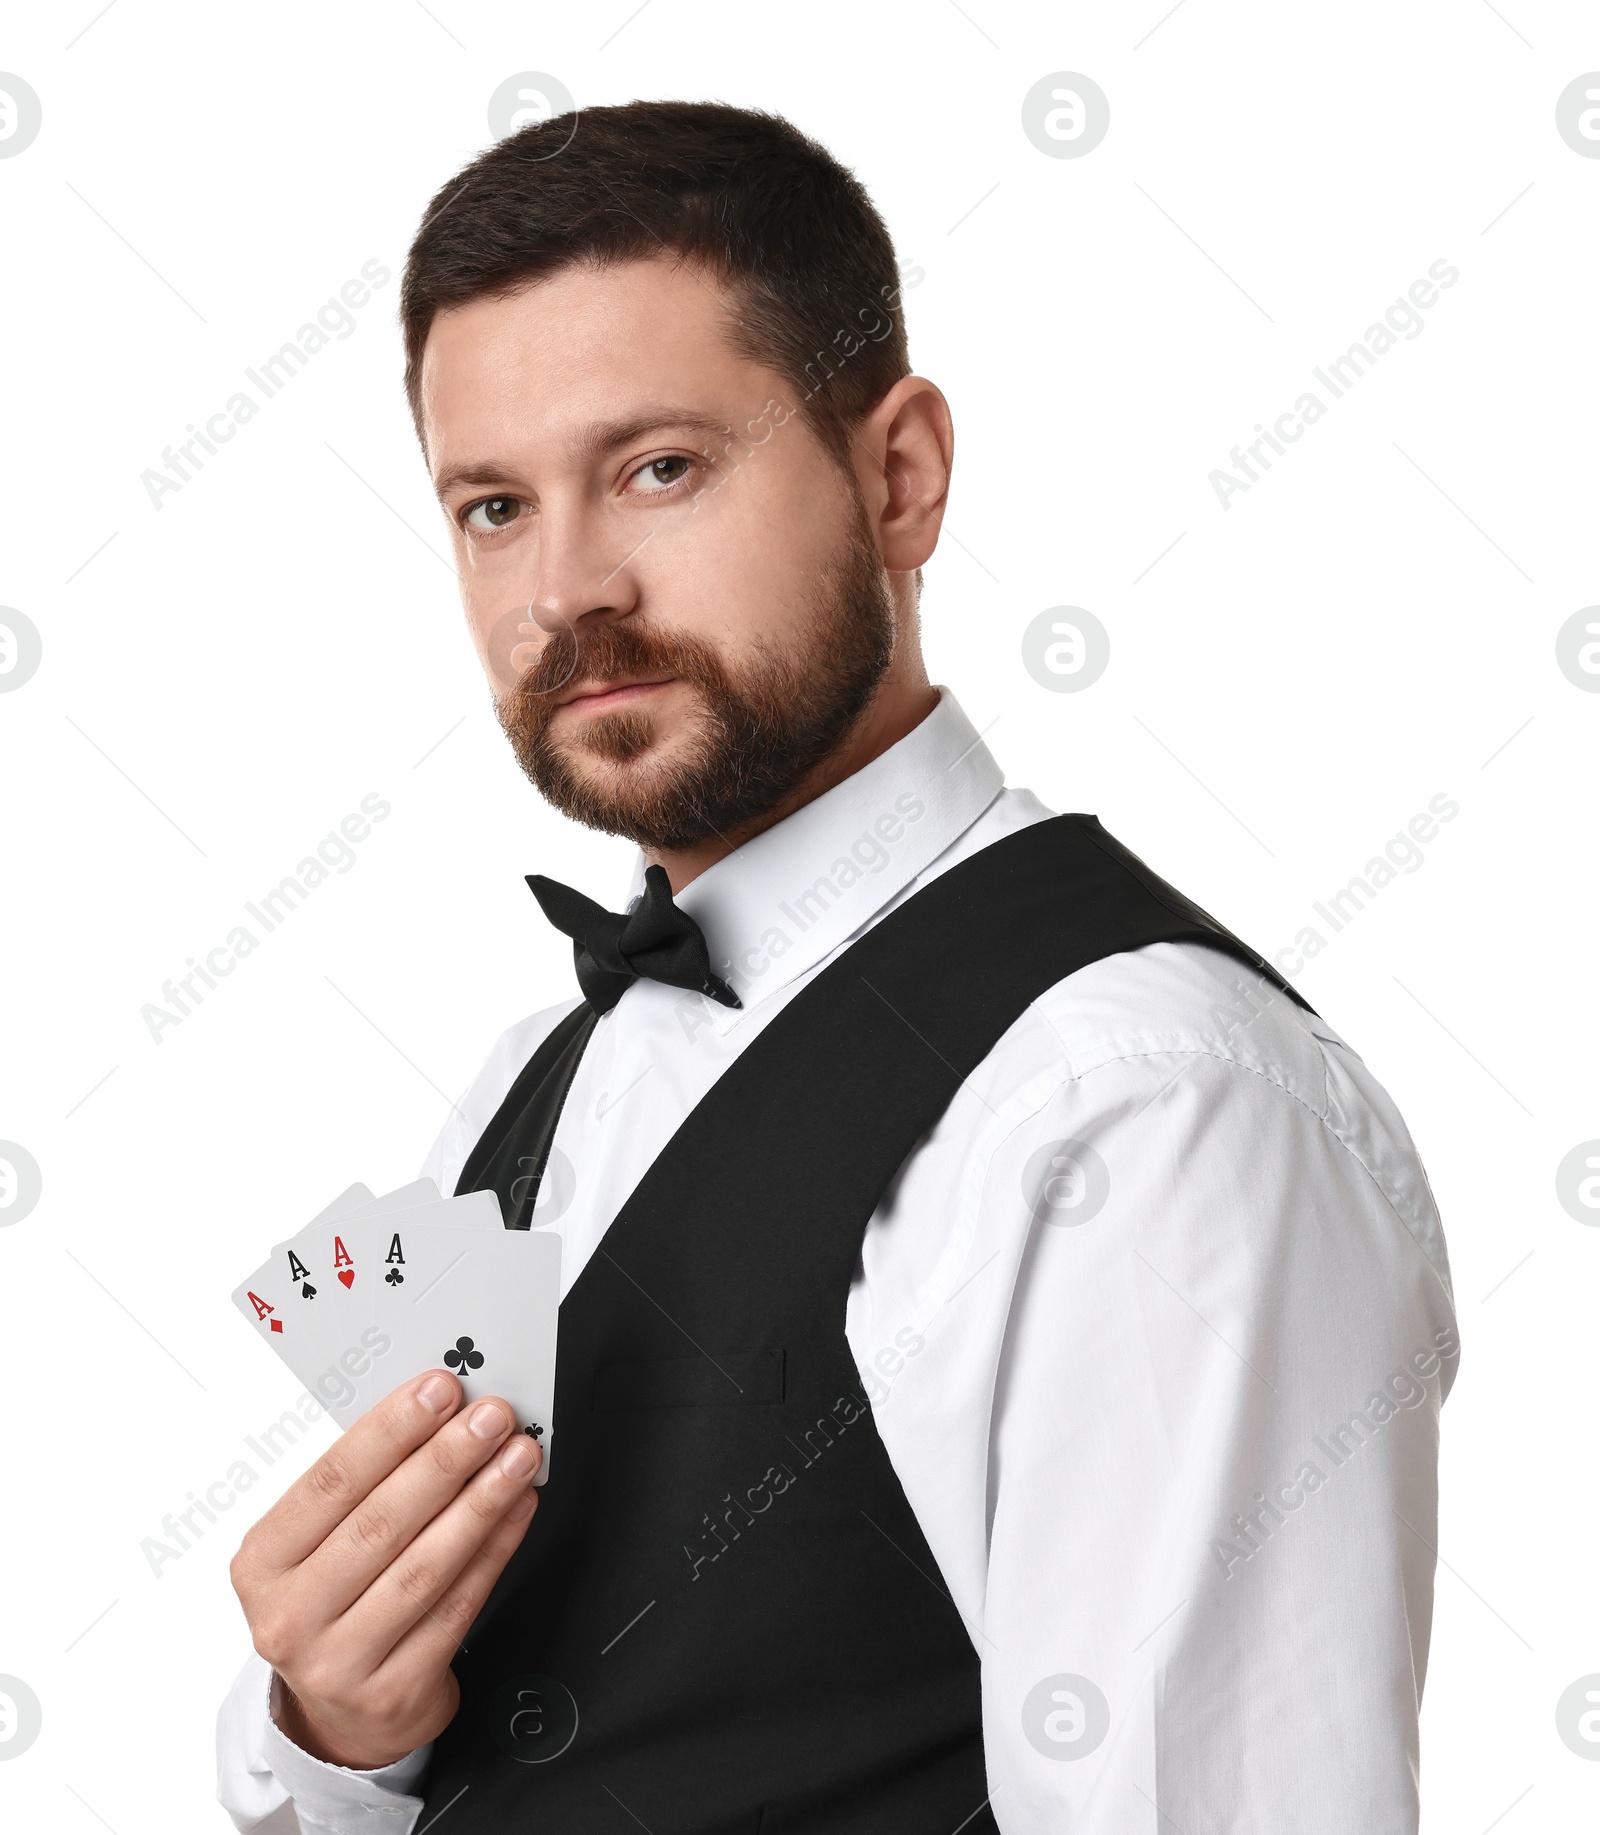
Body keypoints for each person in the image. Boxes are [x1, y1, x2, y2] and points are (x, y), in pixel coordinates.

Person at [218, 101, 1456, 1834]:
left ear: (900, 477)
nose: (565, 588)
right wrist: (338, 1728)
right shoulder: (526, 1078)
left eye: (658, 468)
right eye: (494, 506)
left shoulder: (1144, 1102)